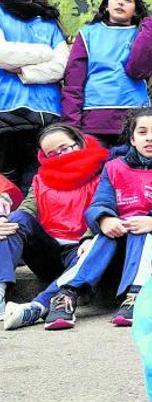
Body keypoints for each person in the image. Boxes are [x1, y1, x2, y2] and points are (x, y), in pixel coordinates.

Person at [5, 108, 152, 330]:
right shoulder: (115, 167)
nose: (150, 138)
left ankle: (136, 295)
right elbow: (100, 204)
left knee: (140, 227)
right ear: (132, 139)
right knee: (109, 230)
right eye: (142, 132)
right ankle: (58, 298)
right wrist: (104, 219)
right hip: (107, 245)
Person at [0, 125, 108, 322]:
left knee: (99, 243)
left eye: (65, 148)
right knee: (15, 220)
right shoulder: (40, 178)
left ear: (80, 142)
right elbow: (27, 209)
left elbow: (104, 209)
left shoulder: (104, 172)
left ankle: (39, 306)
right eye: (52, 154)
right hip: (47, 251)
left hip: (81, 248)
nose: (60, 156)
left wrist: (89, 238)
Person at [62, 0, 152, 146]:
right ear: (106, 5)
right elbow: (73, 84)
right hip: (94, 120)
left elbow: (138, 71)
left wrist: (151, 27)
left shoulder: (142, 34)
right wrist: (71, 126)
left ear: (136, 9)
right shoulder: (88, 34)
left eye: (128, 0)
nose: (121, 2)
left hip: (135, 120)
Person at [0, 0, 69, 189]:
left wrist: (24, 70)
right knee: (6, 187)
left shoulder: (50, 22)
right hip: (6, 111)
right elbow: (3, 54)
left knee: (38, 186)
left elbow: (61, 66)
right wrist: (45, 52)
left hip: (47, 115)